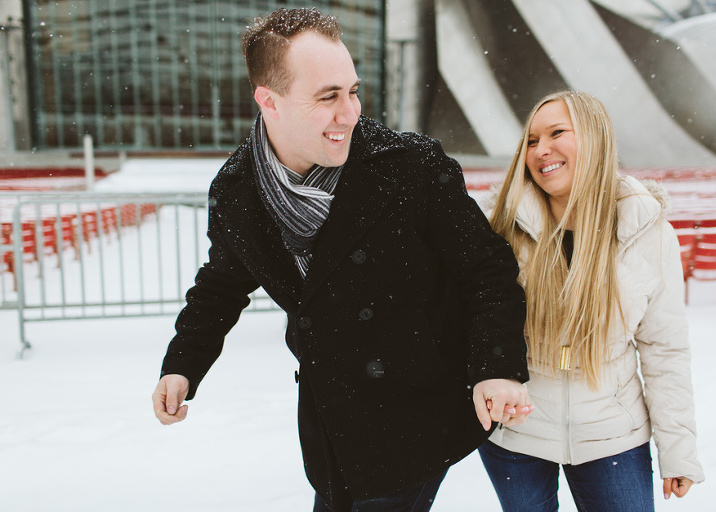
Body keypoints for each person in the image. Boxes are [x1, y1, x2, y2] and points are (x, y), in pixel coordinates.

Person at [151, 8, 532, 512]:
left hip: (416, 409)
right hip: (331, 416)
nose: (349, 113)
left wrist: (496, 367)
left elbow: (488, 272)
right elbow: (221, 284)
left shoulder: (410, 166)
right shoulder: (237, 191)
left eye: (352, 91)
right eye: (327, 97)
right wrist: (182, 364)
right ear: (269, 101)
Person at [483, 91, 705, 511]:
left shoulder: (647, 230)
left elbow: (665, 349)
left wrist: (678, 448)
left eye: (556, 133)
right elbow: (473, 322)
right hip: (517, 432)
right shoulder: (500, 225)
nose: (541, 150)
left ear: (594, 137)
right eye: (532, 140)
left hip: (613, 435)